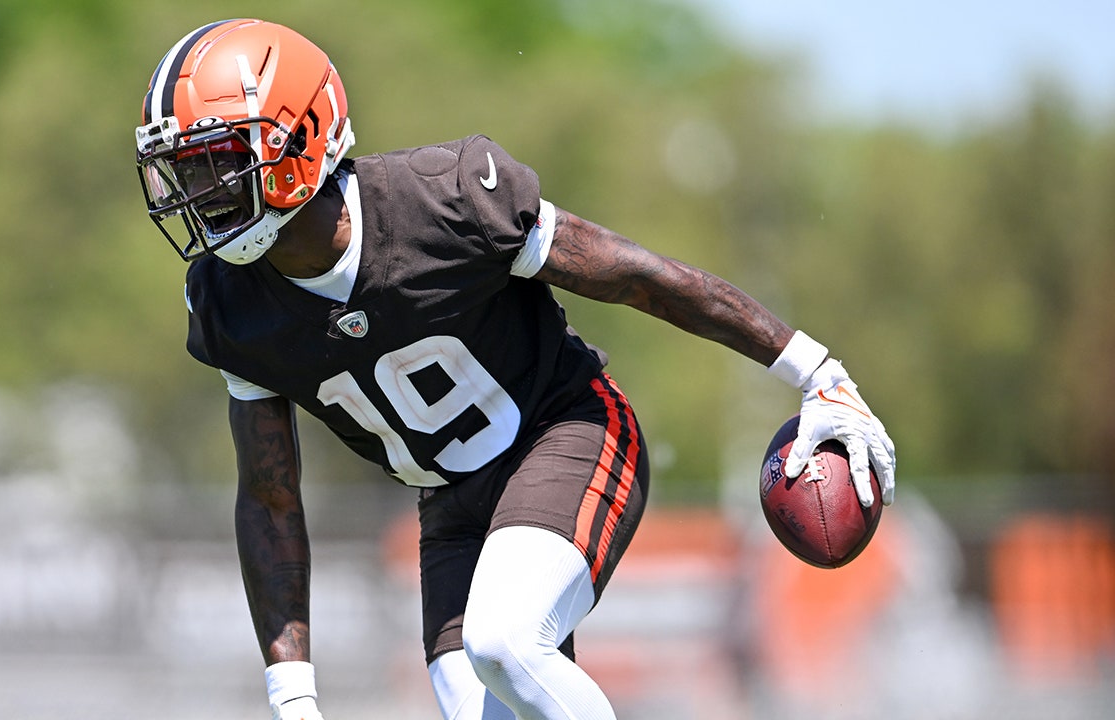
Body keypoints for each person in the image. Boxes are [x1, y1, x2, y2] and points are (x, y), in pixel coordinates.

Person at [135, 18, 896, 720]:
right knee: (484, 706)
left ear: (296, 142)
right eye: (185, 170)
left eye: (217, 163)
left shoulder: (445, 201)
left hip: (564, 434)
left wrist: (813, 370)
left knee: (505, 643)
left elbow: (640, 277)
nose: (198, 193)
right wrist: (292, 692)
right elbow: (269, 497)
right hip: (451, 509)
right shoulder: (230, 302)